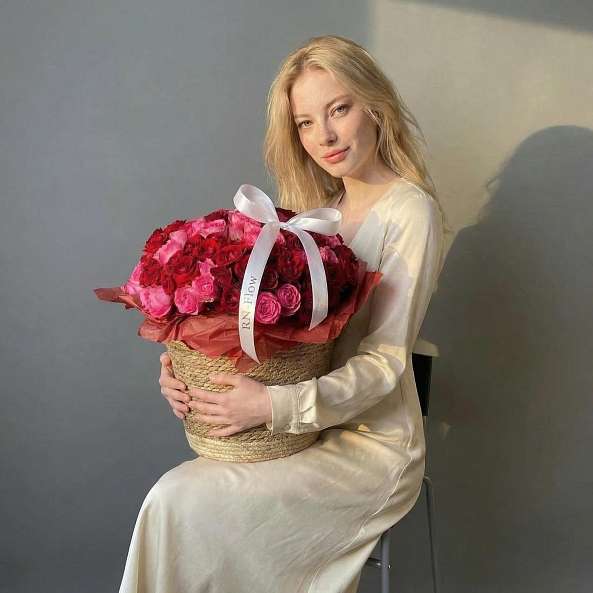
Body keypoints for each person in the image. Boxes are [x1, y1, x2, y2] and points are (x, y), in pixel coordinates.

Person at [119, 34, 450, 593]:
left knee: (184, 501)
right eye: (305, 123)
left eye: (339, 109)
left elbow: (386, 362)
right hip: (297, 432)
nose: (325, 136)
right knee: (171, 500)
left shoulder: (410, 211)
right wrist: (189, 373)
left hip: (370, 446)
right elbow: (282, 343)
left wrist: (272, 405)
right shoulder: (320, 216)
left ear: (374, 105)